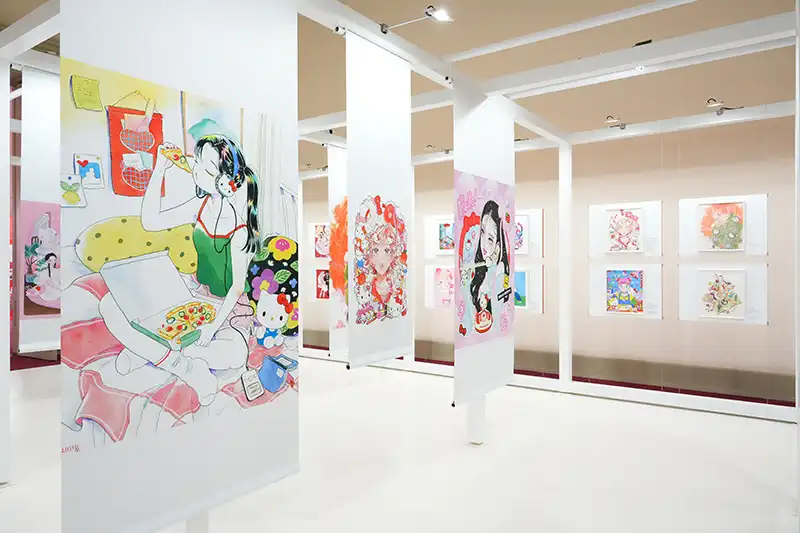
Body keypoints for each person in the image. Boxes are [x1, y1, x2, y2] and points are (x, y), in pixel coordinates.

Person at [98, 134, 260, 405]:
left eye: (207, 167)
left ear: (226, 181)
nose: (196, 170)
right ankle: (186, 369)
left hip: (227, 311)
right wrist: (160, 169)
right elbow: (150, 221)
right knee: (109, 304)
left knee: (233, 355)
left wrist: (211, 329)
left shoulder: (240, 231)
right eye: (198, 161)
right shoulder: (199, 206)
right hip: (193, 296)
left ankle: (144, 350)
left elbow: (235, 288)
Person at [469, 201, 510, 333]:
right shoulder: (480, 268)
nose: (484, 245)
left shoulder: (499, 272)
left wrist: (493, 266)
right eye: (482, 232)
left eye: (490, 239)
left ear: (498, 245)